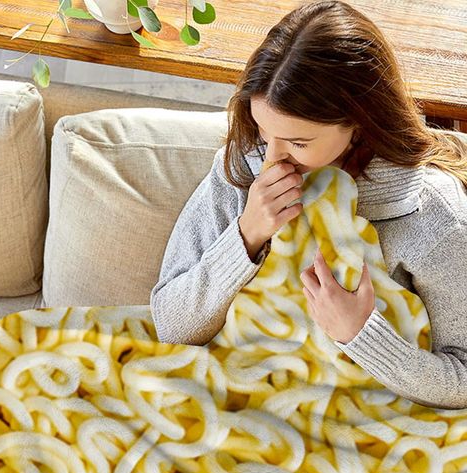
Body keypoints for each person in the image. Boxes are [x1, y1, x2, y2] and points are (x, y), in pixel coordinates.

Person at [150, 0, 467, 409]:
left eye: (299, 143)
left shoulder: (433, 217)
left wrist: (361, 335)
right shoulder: (243, 169)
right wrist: (245, 237)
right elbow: (170, 324)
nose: (272, 158)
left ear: (359, 121)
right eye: (265, 132)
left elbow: (462, 376)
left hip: (362, 426)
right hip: (241, 404)